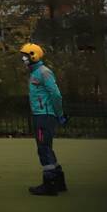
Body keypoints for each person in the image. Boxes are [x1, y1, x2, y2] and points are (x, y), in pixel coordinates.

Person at [20, 43, 68, 196]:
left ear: (34, 55)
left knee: (43, 148)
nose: (23, 58)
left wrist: (59, 114)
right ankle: (59, 181)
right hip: (40, 114)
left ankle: (50, 185)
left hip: (44, 116)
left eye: (26, 55)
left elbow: (56, 94)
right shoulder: (35, 73)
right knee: (47, 147)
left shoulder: (43, 72)